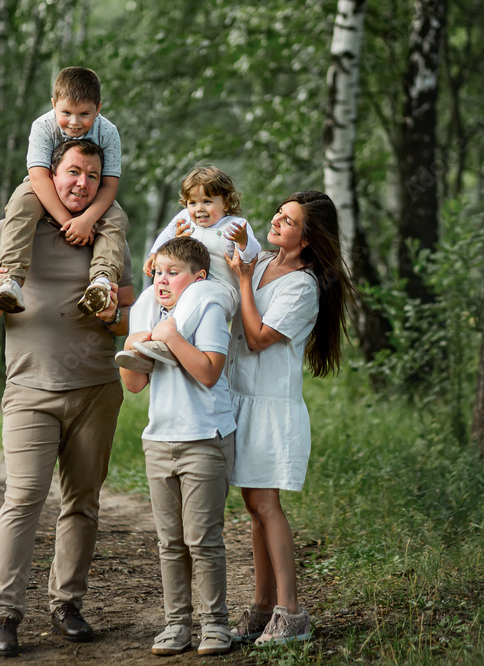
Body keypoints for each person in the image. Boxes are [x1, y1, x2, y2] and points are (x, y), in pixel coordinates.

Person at [0, 139, 135, 657]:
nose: (80, 183)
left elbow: (133, 315)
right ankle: (4, 614)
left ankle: (66, 605)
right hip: (29, 392)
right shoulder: (9, 231)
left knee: (82, 502)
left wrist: (112, 316)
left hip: (95, 391)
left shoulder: (107, 237)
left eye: (91, 175)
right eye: (72, 172)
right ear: (51, 174)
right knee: (22, 500)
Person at [224, 191, 353, 646]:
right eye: (278, 214)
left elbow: (258, 338)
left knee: (266, 507)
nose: (276, 222)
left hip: (271, 408)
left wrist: (242, 280)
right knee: (253, 510)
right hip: (241, 399)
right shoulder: (260, 263)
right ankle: (262, 607)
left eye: (289, 220)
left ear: (308, 237)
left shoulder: (302, 286)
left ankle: (291, 612)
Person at [118, 236, 237, 657]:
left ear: (198, 277)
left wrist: (170, 335)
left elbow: (207, 371)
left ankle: (216, 625)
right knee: (170, 542)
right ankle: (176, 624)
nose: (162, 280)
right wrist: (134, 346)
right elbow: (134, 385)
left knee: (203, 539)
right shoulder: (149, 308)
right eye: (159, 272)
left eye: (174, 272)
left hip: (204, 438)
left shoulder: (206, 307)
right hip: (159, 440)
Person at [0, 66, 127, 317]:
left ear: (98, 108)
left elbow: (109, 185)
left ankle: (101, 281)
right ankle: (10, 277)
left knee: (117, 217)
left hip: (90, 194)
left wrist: (87, 219)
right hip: (46, 190)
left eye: (84, 114)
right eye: (66, 113)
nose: (74, 122)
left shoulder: (108, 132)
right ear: (54, 105)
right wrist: (68, 222)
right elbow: (39, 178)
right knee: (21, 201)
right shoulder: (43, 126)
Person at [116, 166, 260, 372]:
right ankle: (139, 346)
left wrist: (243, 241)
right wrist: (154, 254)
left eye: (207, 201)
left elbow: (252, 256)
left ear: (226, 203)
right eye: (193, 202)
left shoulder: (235, 225)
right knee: (149, 295)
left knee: (196, 290)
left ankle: (171, 340)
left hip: (222, 290)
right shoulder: (185, 219)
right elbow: (167, 234)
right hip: (186, 286)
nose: (199, 208)